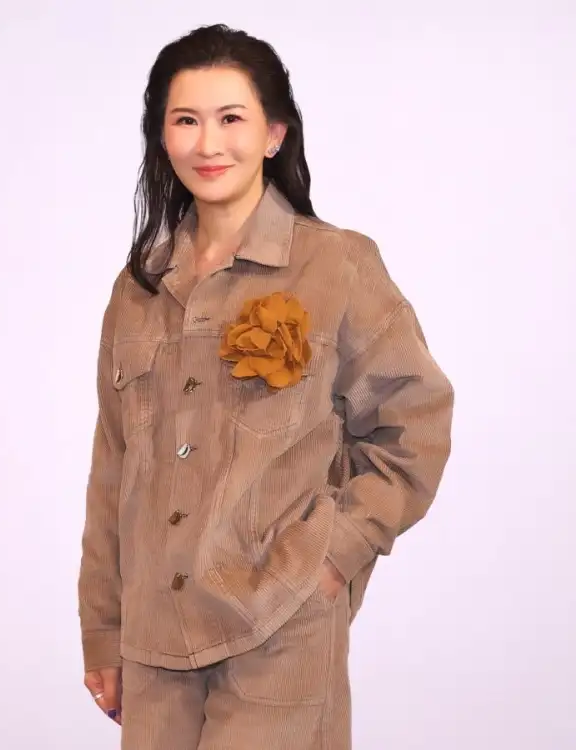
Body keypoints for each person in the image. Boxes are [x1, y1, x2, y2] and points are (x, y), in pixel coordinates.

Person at [76, 23, 454, 750]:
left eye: (231, 118)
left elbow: (416, 425)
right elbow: (113, 467)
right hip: (154, 645)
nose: (208, 144)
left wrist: (332, 557)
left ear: (274, 134)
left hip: (278, 632)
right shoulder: (138, 289)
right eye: (186, 121)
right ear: (162, 137)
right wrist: (104, 628)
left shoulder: (337, 266)